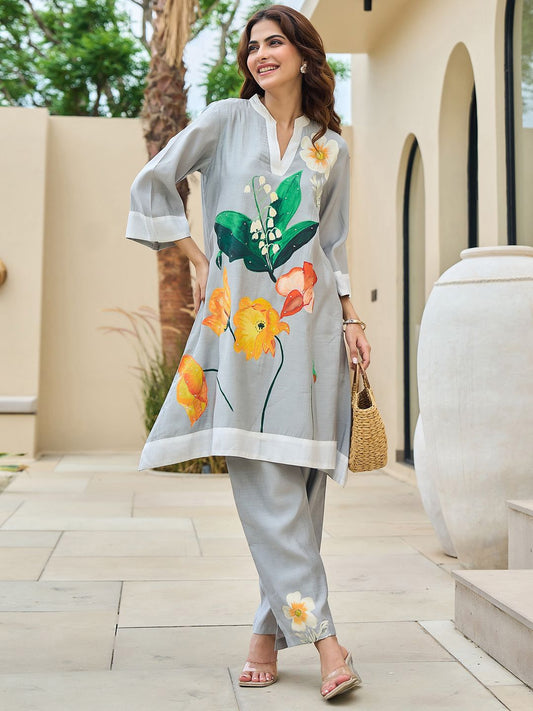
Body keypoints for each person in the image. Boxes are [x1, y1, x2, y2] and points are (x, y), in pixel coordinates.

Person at [126, 4, 370, 701]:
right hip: (241, 332)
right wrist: (198, 256)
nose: (260, 54)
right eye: (252, 46)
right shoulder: (224, 122)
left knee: (300, 486)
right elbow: (153, 182)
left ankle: (267, 633)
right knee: (266, 484)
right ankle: (325, 641)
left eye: (274, 42)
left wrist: (352, 316)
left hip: (311, 330)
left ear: (303, 53)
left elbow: (332, 244)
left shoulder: (330, 146)